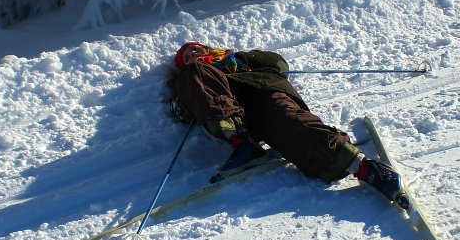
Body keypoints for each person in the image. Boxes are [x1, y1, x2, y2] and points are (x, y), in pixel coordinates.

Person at [166, 41, 403, 201]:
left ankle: (363, 168)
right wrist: (186, 92)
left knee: (288, 122)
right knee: (197, 71)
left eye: (195, 49)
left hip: (264, 90)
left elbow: (279, 63)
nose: (193, 55)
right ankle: (243, 144)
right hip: (235, 111)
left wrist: (242, 59)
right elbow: (185, 113)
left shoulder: (237, 59)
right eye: (186, 57)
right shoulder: (192, 76)